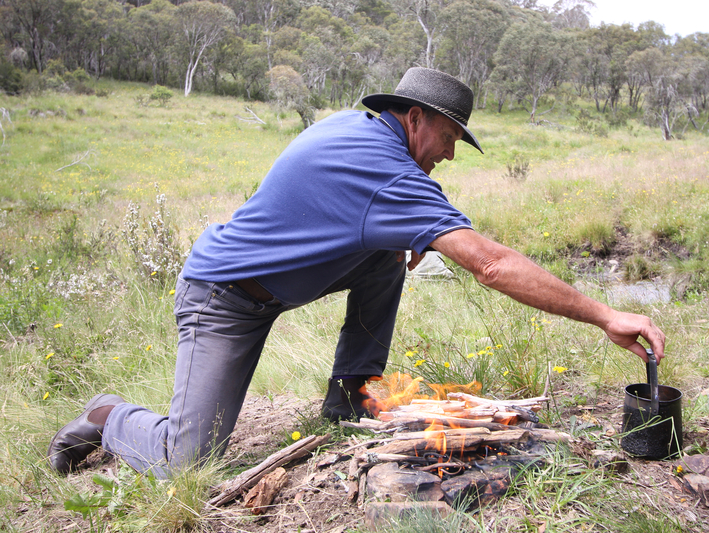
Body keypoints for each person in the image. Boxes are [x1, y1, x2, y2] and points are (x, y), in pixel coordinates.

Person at [48, 68, 665, 478]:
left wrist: (399, 238)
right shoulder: (386, 173)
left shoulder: (357, 129)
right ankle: (108, 415)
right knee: (188, 457)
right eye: (449, 136)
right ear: (415, 118)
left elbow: (371, 211)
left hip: (272, 285)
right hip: (223, 297)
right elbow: (493, 263)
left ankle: (348, 401)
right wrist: (606, 313)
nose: (449, 153)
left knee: (390, 255)